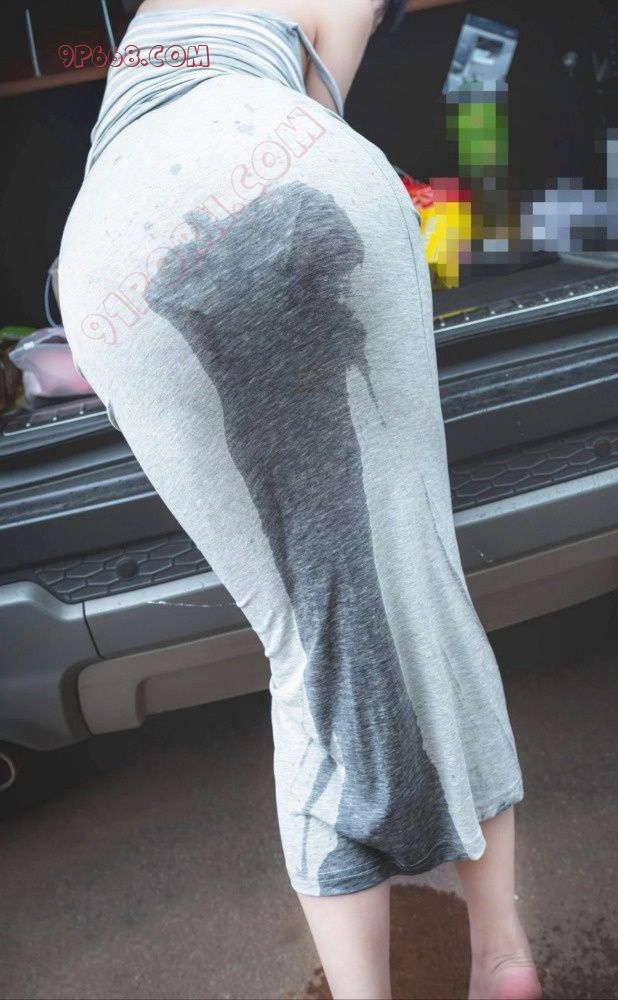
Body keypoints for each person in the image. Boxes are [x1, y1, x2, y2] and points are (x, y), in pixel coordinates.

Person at [57, 2, 543, 997]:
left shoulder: (152, 19)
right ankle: (500, 955)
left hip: (110, 252)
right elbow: (317, 112)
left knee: (301, 647)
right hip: (277, 155)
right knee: (421, 582)